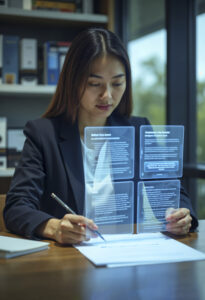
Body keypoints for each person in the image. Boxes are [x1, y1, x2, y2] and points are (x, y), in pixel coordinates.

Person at [3, 28, 198, 244]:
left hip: (126, 255)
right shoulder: (43, 134)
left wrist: (180, 215)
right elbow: (16, 207)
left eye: (117, 83)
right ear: (73, 81)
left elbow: (172, 193)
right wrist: (54, 227)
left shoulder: (138, 130)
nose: (107, 96)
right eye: (94, 84)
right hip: (67, 261)